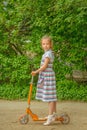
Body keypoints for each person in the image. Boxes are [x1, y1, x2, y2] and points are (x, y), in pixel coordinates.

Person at [31, 35, 57, 125]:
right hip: (47, 76)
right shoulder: (48, 53)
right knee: (52, 97)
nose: (45, 45)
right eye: (43, 44)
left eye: (47, 44)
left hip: (48, 76)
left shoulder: (48, 54)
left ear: (50, 44)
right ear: (41, 45)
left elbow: (45, 66)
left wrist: (36, 72)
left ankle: (50, 117)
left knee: (50, 98)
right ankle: (53, 115)